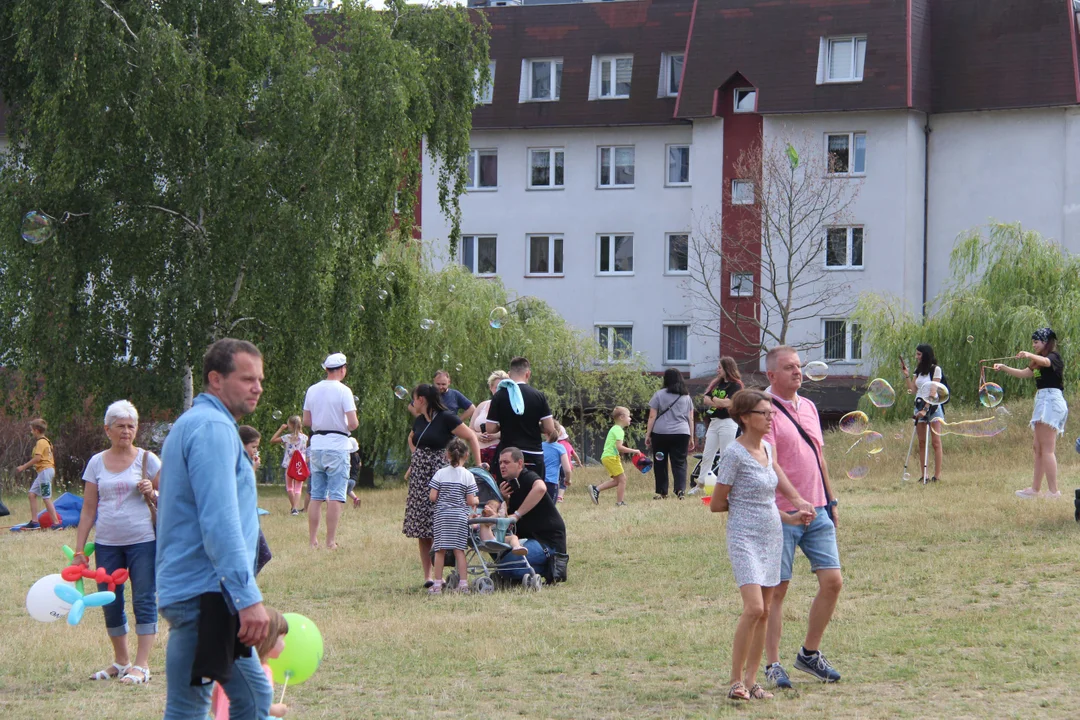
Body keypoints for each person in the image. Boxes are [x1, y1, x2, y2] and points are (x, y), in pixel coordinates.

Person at [157, 338, 272, 720]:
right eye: (246, 378)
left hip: (196, 590)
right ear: (215, 380)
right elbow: (220, 522)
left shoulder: (197, 423)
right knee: (252, 698)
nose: (256, 387)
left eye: (259, 379)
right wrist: (247, 598)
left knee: (190, 706)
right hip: (207, 594)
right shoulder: (212, 428)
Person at [710, 389, 816, 701]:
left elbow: (765, 502)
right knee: (754, 607)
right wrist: (746, 510)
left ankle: (753, 681)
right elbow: (718, 503)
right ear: (745, 417)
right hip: (744, 537)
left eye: (771, 413)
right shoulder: (733, 453)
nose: (770, 418)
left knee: (766, 611)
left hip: (773, 534)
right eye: (763, 413)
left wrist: (791, 517)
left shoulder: (767, 449)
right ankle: (734, 681)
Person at [761, 346, 843, 688]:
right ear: (771, 375)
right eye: (789, 367)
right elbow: (771, 461)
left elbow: (819, 458)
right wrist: (795, 499)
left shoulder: (808, 406)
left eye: (799, 366)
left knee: (833, 581)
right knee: (776, 590)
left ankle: (809, 654)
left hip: (818, 508)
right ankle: (772, 664)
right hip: (781, 512)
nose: (798, 372)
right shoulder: (762, 410)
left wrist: (831, 499)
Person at [73, 400, 161, 685]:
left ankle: (142, 665)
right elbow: (88, 509)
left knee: (144, 599)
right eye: (120, 426)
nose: (126, 431)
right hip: (107, 543)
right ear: (107, 429)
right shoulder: (96, 462)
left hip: (143, 541)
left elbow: (172, 495)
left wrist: (153, 490)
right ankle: (121, 662)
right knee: (110, 601)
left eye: (130, 426)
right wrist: (79, 550)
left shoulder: (148, 459)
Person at [404, 384, 482, 589]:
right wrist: (416, 456)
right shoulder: (419, 420)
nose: (413, 403)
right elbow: (412, 438)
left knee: (444, 523)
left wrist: (479, 464)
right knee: (422, 527)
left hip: (441, 475)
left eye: (414, 399)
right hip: (421, 478)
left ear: (422, 399)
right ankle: (429, 576)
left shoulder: (447, 418)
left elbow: (471, 436)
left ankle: (451, 573)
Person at [993, 327, 1067, 499]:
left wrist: (1028, 354)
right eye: (1032, 342)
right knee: (1038, 447)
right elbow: (1024, 373)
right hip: (1043, 400)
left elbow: (1047, 363)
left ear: (1045, 342)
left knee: (1047, 448)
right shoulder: (1037, 361)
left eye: (1036, 342)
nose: (1033, 345)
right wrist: (1004, 367)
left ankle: (1054, 491)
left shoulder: (1053, 357)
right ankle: (1035, 489)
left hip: (1051, 400)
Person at [303, 352, 359, 549]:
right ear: (342, 370)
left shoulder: (312, 390)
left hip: (317, 445)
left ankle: (312, 541)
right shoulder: (344, 391)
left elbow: (307, 421)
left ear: (326, 369)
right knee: (336, 494)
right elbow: (353, 424)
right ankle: (330, 541)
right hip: (337, 445)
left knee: (316, 495)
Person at [496, 447, 568, 582]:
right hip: (525, 540)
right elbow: (506, 521)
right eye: (500, 463)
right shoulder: (508, 485)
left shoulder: (527, 476)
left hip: (547, 541)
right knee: (500, 560)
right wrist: (504, 499)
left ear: (520, 464)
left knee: (508, 566)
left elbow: (541, 488)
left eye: (506, 462)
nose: (502, 466)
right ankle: (512, 571)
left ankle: (550, 568)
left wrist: (517, 514)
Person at [484, 356, 556, 482]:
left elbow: (490, 428)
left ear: (509, 374)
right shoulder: (538, 396)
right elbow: (549, 428)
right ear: (528, 374)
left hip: (508, 453)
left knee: (508, 493)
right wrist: (533, 425)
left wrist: (506, 425)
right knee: (534, 491)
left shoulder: (499, 395)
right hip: (533, 453)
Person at [210, 607, 290, 719]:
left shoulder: (231, 669)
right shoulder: (261, 671)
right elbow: (258, 703)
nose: (284, 644)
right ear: (269, 639)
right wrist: (277, 710)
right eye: (282, 639)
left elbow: (213, 696)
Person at [428, 438, 479, 594]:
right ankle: (463, 584)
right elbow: (470, 501)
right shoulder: (468, 475)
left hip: (442, 516)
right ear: (467, 455)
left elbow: (432, 497)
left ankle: (437, 584)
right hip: (459, 517)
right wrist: (477, 499)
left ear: (447, 455)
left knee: (440, 550)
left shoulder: (440, 473)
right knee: (459, 550)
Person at [693, 357, 744, 493]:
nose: (717, 370)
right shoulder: (716, 384)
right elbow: (705, 399)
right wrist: (719, 401)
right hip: (714, 422)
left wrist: (715, 400)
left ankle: (725, 486)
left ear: (727, 368)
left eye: (720, 367)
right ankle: (701, 484)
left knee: (725, 455)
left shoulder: (736, 385)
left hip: (727, 422)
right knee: (707, 455)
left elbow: (728, 403)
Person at [646, 368, 695, 500]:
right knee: (679, 462)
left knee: (660, 462)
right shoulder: (686, 397)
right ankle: (680, 490)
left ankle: (662, 492)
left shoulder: (659, 395)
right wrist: (691, 436)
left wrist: (648, 434)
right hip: (682, 433)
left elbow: (652, 416)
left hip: (661, 433)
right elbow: (691, 418)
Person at [901, 344, 944, 483]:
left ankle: (937, 476)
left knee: (936, 442)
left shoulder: (935, 370)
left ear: (926, 355)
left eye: (919, 354)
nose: (916, 357)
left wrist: (926, 408)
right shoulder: (918, 371)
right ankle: (923, 474)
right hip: (919, 407)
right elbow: (913, 390)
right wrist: (907, 376)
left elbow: (933, 390)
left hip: (933, 408)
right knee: (921, 442)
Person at [589, 407, 642, 507]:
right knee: (623, 480)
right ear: (622, 417)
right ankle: (620, 503)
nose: (630, 418)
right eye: (629, 416)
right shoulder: (619, 430)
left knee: (617, 481)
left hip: (608, 457)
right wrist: (634, 451)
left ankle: (596, 489)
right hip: (611, 457)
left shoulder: (615, 428)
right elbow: (619, 447)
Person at [15, 418, 60, 528]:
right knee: (32, 494)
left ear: (36, 430)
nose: (31, 432)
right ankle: (35, 522)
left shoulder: (41, 442)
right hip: (43, 472)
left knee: (46, 497)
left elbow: (37, 458)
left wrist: (23, 467)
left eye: (31, 430)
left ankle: (56, 523)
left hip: (45, 471)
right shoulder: (47, 441)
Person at [470, 370, 510, 468]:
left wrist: (496, 435)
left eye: (503, 388)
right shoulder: (482, 405)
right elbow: (470, 429)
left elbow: (513, 429)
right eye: (497, 387)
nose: (499, 391)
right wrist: (478, 435)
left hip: (499, 452)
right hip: (478, 452)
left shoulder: (509, 407)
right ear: (491, 388)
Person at [270, 415, 307, 515]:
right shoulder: (305, 438)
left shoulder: (287, 437)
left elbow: (272, 440)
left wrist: (281, 429)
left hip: (289, 464)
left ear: (290, 425)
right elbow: (304, 451)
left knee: (290, 487)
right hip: (300, 465)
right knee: (298, 488)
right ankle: (294, 508)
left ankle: (294, 508)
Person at [541, 430, 572, 503]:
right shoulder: (560, 448)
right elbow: (567, 470)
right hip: (551, 483)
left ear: (545, 433)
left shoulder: (539, 446)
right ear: (560, 433)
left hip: (538, 481)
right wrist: (567, 480)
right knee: (550, 511)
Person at [554, 422, 579, 502]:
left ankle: (554, 494)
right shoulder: (568, 444)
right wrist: (579, 462)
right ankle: (560, 497)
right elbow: (575, 455)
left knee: (556, 480)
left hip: (557, 466)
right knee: (563, 482)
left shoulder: (555, 445)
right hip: (566, 466)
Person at [347, 436, 362, 508]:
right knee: (349, 491)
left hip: (347, 478)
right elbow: (360, 465)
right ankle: (356, 499)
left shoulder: (347, 456)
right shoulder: (357, 456)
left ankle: (335, 504)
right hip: (354, 480)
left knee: (338, 492)